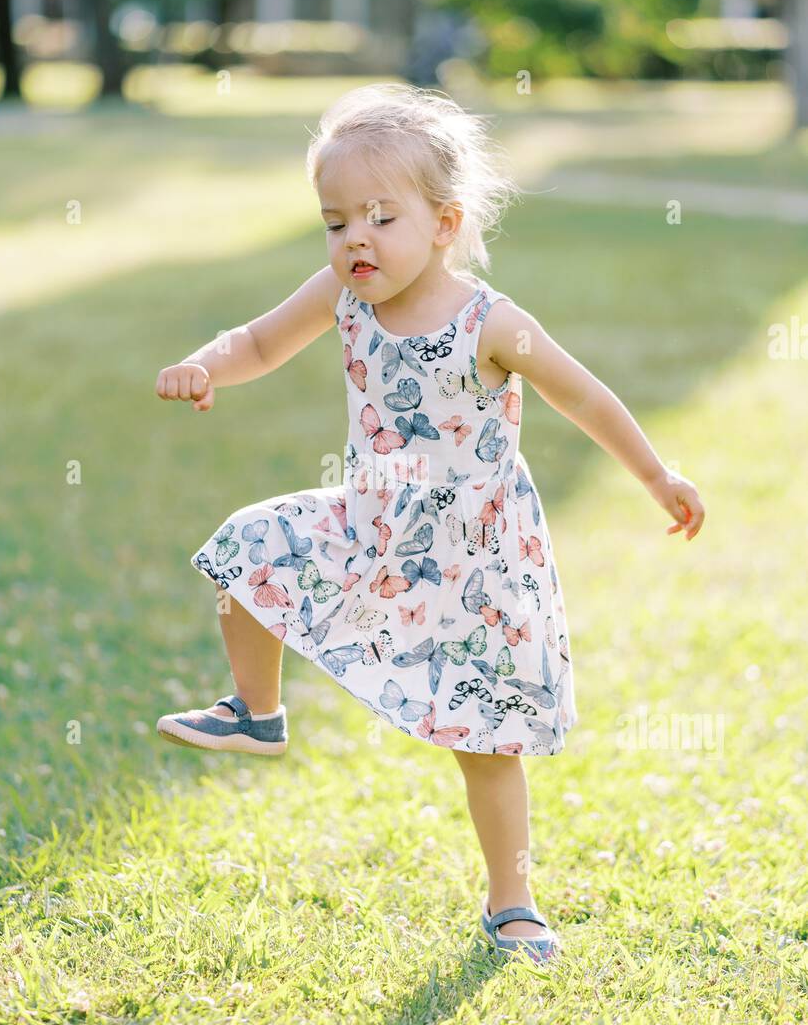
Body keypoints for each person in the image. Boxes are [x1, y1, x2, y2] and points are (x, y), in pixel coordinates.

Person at [154, 83, 705, 962]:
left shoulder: (491, 323)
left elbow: (583, 395)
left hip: (478, 562)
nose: (354, 240)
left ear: (445, 224)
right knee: (247, 553)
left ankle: (513, 901)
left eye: (380, 217)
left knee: (487, 742)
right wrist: (203, 363)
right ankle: (257, 711)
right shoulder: (344, 298)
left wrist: (655, 474)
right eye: (335, 222)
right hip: (373, 526)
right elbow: (257, 341)